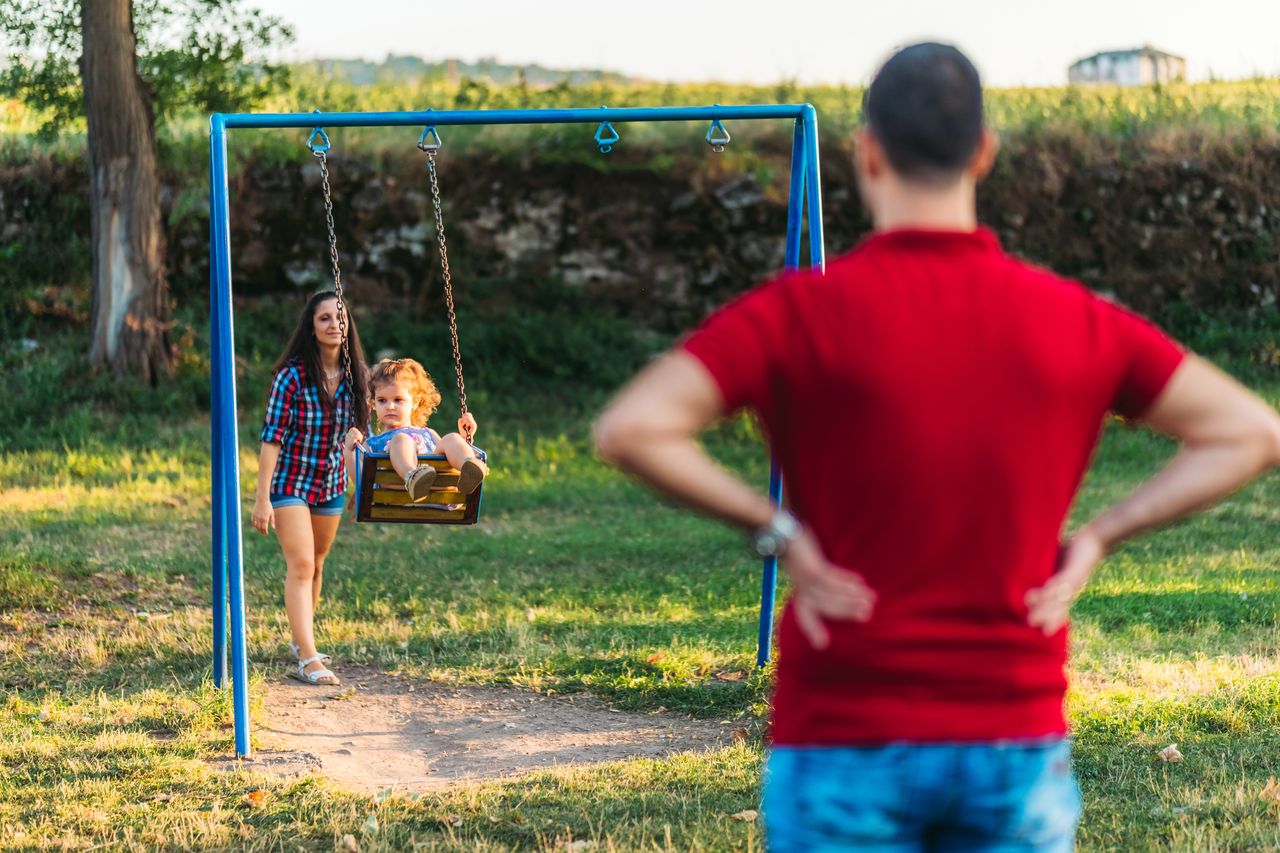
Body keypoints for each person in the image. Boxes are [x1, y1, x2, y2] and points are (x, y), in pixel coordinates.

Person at [594, 42, 1280, 852]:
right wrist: (1099, 537)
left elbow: (631, 426)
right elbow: (1249, 431)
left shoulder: (797, 315)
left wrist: (776, 531)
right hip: (1012, 736)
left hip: (841, 733)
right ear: (984, 152)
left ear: (867, 152)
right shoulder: (1074, 319)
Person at [252, 289, 370, 687]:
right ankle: (307, 656)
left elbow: (367, 438)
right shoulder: (292, 376)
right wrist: (262, 497)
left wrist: (362, 487)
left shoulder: (358, 377)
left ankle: (302, 640)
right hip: (291, 482)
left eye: (340, 317)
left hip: (333, 482)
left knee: (317, 564)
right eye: (324, 318)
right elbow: (272, 438)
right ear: (311, 326)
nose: (334, 323)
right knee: (301, 564)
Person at [341, 357, 487, 500]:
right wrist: (349, 451)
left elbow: (449, 454)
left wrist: (465, 438)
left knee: (452, 438)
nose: (390, 406)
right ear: (373, 404)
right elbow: (360, 480)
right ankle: (413, 477)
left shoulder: (428, 433)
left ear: (415, 402)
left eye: (398, 400)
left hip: (441, 485)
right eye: (382, 400)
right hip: (400, 491)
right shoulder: (372, 444)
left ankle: (469, 466)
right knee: (401, 440)